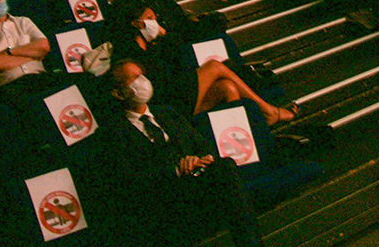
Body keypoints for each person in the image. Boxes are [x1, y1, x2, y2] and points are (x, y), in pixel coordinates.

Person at [94, 58, 263, 247]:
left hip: (195, 184)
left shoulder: (168, 113)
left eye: (142, 75)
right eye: (134, 78)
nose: (142, 81)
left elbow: (203, 146)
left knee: (225, 166)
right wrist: (176, 171)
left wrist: (199, 159)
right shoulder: (110, 134)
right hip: (161, 200)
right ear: (118, 93)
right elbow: (128, 182)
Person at [112, 0, 295, 125]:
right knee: (214, 66)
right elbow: (158, 84)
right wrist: (164, 36)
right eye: (150, 19)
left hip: (179, 96)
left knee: (227, 87)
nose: (156, 23)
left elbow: (176, 54)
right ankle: (269, 111)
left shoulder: (154, 44)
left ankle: (248, 133)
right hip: (166, 103)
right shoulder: (129, 51)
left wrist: (164, 36)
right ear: (136, 24)